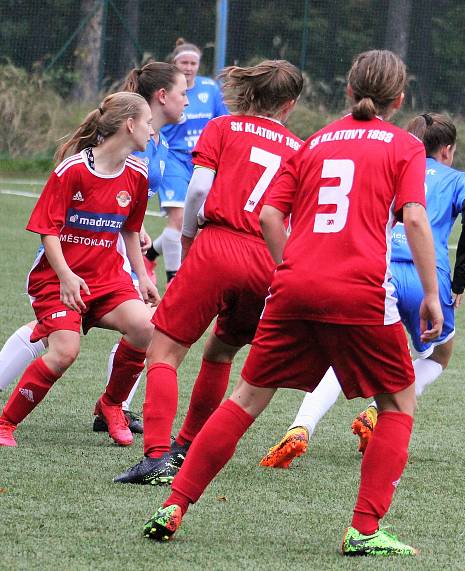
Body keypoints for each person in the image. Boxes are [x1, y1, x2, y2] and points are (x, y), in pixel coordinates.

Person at [142, 50, 443, 557]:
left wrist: (290, 269)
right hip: (359, 289)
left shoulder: (317, 141)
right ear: (400, 98)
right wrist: (432, 294)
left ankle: (175, 503)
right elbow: (413, 218)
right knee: (397, 402)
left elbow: (269, 217)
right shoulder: (405, 145)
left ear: (348, 92)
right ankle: (364, 530)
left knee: (247, 398)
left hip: (293, 284)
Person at [114, 60, 304, 485]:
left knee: (164, 353)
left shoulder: (222, 128)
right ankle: (187, 445)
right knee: (221, 351)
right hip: (267, 261)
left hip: (218, 244)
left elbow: (199, 189)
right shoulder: (299, 148)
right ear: (289, 104)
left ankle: (158, 456)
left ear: (249, 92)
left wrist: (186, 238)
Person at [261, 112, 465, 469]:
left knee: (342, 352)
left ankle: (301, 425)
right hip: (428, 273)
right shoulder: (457, 178)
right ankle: (376, 412)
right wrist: (459, 281)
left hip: (382, 270)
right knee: (439, 356)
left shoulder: (397, 162)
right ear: (447, 150)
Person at [0, 62, 188, 437]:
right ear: (129, 125)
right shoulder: (73, 170)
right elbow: (46, 230)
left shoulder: (136, 173)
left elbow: (131, 231)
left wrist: (143, 278)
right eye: (146, 122)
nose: (151, 129)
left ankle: (112, 404)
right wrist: (67, 276)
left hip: (107, 278)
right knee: (65, 351)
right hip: (59, 279)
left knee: (147, 327)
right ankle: (6, 422)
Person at [144, 39, 228, 284]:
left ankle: (150, 254)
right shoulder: (167, 91)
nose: (189, 67)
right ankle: (175, 281)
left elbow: (222, 122)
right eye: (184, 62)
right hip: (173, 160)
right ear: (174, 63)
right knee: (179, 220)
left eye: (193, 63)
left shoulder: (210, 89)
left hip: (203, 161)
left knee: (196, 221)